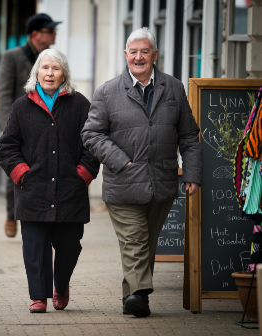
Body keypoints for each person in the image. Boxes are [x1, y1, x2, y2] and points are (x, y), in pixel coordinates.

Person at [81, 27, 203, 317]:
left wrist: (193, 174)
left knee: (146, 241)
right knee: (135, 238)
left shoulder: (173, 88)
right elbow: (91, 134)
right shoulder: (107, 91)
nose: (139, 57)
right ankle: (138, 293)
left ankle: (134, 297)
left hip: (161, 183)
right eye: (133, 51)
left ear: (155, 55)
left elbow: (189, 136)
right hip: (123, 182)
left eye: (144, 51)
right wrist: (121, 161)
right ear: (125, 55)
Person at [0, 49, 100, 313]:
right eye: (45, 68)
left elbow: (92, 144)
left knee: (69, 245)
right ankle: (39, 296)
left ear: (64, 73)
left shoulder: (80, 105)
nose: (50, 73)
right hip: (33, 190)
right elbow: (7, 145)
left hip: (70, 190)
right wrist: (21, 173)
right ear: (37, 73)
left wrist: (83, 174)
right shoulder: (22, 106)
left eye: (55, 68)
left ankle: (61, 283)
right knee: (35, 246)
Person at [0, 13, 61, 238]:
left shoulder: (52, 58)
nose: (54, 34)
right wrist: (8, 128)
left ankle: (39, 216)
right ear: (35, 34)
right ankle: (11, 214)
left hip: (46, 125)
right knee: (15, 170)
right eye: (50, 31)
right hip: (19, 123)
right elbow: (3, 94)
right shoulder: (12, 57)